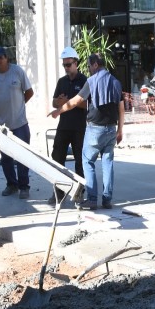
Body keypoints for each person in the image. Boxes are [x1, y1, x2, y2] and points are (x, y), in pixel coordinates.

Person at [48, 53, 123, 211]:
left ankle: (92, 199)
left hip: (95, 129)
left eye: (89, 66)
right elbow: (121, 108)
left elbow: (75, 101)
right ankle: (107, 199)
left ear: (95, 64)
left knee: (87, 162)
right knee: (107, 163)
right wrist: (120, 130)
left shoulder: (91, 81)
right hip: (111, 129)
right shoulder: (116, 82)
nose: (88, 69)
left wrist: (58, 111)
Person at [0, 46, 35, 199]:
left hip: (19, 123)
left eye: (1, 57)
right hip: (0, 125)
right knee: (6, 158)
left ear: (7, 58)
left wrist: (20, 104)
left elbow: (29, 91)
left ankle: (24, 187)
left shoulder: (17, 72)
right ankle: (11, 184)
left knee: (23, 156)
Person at [49, 46, 87, 205]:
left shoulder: (84, 81)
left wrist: (69, 102)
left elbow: (86, 105)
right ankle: (58, 192)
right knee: (57, 159)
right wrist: (59, 102)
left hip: (79, 128)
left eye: (68, 64)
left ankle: (80, 193)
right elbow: (54, 102)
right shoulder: (62, 82)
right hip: (63, 126)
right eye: (64, 65)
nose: (66, 68)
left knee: (81, 162)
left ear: (76, 63)